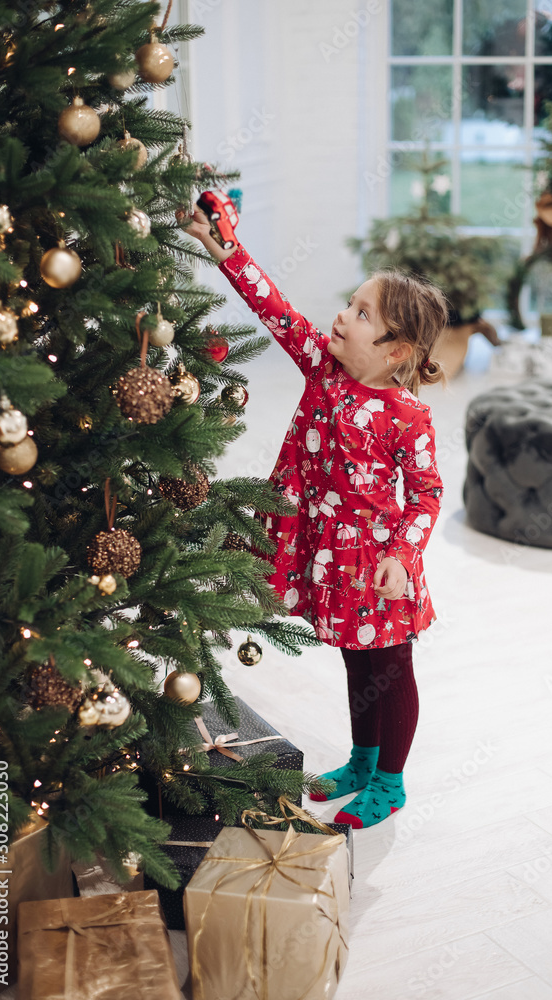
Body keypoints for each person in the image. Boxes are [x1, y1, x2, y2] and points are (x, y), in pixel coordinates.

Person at [177, 195, 447, 829]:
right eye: (349, 304)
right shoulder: (322, 370)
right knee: (357, 663)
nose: (342, 316)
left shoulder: (409, 417)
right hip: (326, 551)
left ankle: (389, 782)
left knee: (390, 666)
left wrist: (403, 557)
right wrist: (226, 251)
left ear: (395, 352)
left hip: (377, 565)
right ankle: (362, 759)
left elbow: (428, 493)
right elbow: (272, 309)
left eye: (360, 313)